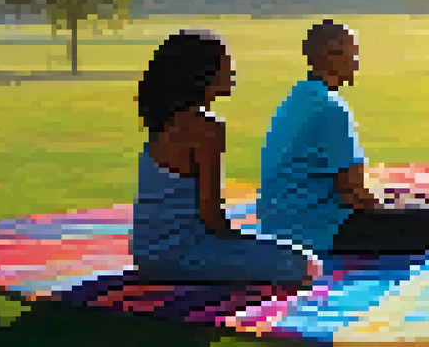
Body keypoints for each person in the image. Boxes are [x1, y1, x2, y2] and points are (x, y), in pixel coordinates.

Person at [131, 30, 318, 284]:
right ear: (204, 73)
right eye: (226, 63)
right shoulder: (206, 128)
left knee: (272, 247)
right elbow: (213, 217)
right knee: (304, 264)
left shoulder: (166, 120)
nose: (232, 71)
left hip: (146, 253)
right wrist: (249, 244)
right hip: (180, 254)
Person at [257, 20, 429, 259]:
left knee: (409, 203)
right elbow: (354, 195)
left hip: (278, 224)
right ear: (331, 56)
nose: (356, 62)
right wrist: (400, 207)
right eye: (352, 53)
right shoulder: (331, 108)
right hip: (314, 230)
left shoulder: (298, 97)